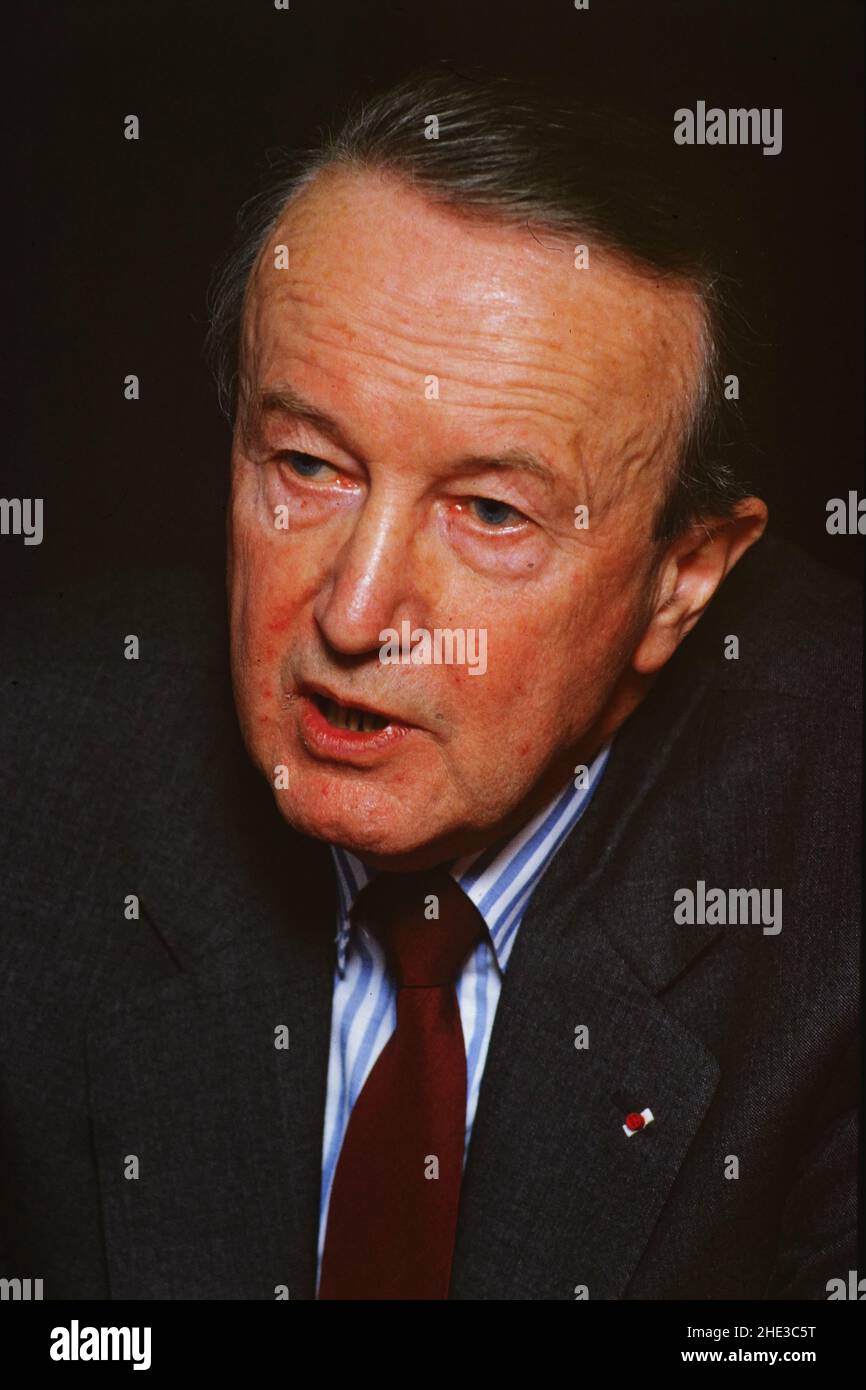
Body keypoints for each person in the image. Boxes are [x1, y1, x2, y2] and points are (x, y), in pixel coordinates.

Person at [0, 69, 859, 1301]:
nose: (352, 615)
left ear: (681, 578)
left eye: (490, 513)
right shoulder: (27, 790)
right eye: (307, 463)